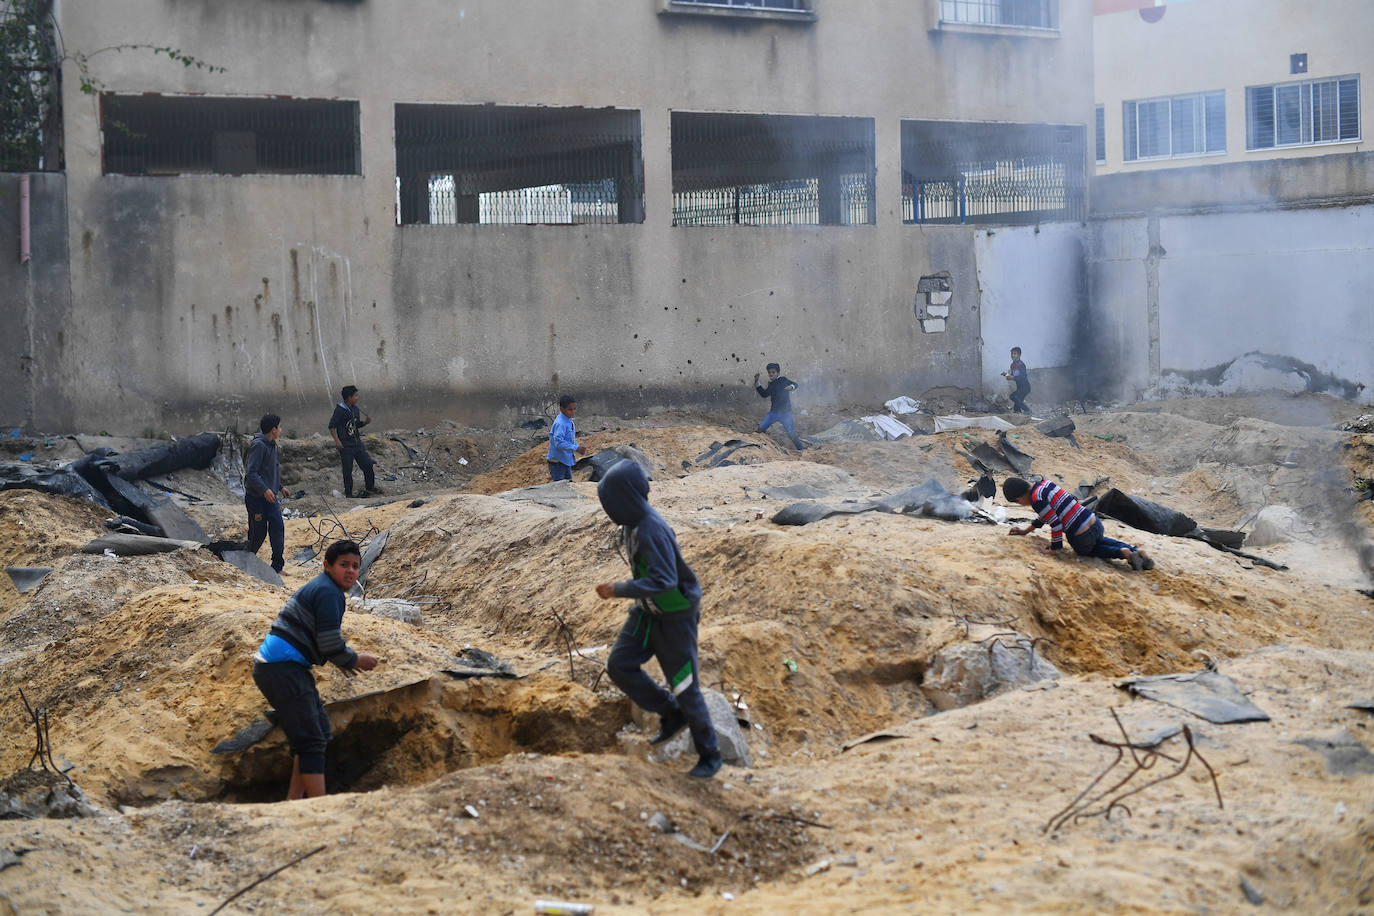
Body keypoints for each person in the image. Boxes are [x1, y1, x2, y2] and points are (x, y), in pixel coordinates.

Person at [594, 460, 722, 780]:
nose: (609, 511)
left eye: (612, 503)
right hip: (647, 611)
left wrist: (620, 589)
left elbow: (665, 580)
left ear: (626, 499)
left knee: (685, 686)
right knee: (620, 665)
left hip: (675, 616)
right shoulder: (631, 524)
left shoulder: (652, 529)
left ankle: (711, 754)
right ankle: (670, 712)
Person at [251, 539, 378, 800]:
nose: (351, 571)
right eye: (344, 565)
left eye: (355, 566)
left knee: (316, 733)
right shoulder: (329, 593)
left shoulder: (325, 589)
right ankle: (318, 806)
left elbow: (324, 641)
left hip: (284, 667)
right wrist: (354, 660)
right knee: (310, 740)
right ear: (327, 566)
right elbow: (330, 642)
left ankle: (294, 801)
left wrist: (344, 660)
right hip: (282, 668)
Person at [1003, 476, 1154, 570]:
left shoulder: (1036, 501)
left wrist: (1054, 550)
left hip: (1080, 535)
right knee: (1100, 541)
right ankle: (1135, 550)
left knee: (1088, 550)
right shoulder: (1045, 484)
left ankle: (1121, 553)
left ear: (1018, 499)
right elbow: (1047, 516)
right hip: (1094, 522)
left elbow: (1055, 524)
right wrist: (1025, 531)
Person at [244, 413, 290, 574]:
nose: (281, 430)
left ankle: (277, 567)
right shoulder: (259, 446)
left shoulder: (271, 445)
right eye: (280, 427)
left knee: (278, 527)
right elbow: (252, 473)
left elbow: (269, 472)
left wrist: (280, 487)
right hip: (256, 498)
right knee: (258, 532)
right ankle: (246, 561)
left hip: (270, 497)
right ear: (273, 430)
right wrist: (264, 490)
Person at [329, 385, 380, 498]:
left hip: (357, 444)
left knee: (368, 464)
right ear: (349, 397)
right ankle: (349, 493)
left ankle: (370, 488)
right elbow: (332, 427)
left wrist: (365, 423)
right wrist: (337, 441)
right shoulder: (340, 410)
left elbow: (355, 425)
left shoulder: (355, 409)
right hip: (346, 445)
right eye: (355, 396)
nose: (357, 398)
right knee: (347, 470)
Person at [753, 362, 805, 451]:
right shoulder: (771, 384)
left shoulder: (783, 380)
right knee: (760, 430)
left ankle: (802, 450)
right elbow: (764, 394)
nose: (771, 374)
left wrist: (791, 387)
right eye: (769, 372)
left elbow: (796, 384)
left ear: (778, 373)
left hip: (785, 413)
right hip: (773, 413)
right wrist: (757, 382)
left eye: (773, 372)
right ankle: (756, 449)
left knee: (791, 433)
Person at [547, 394, 586, 481]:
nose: (573, 412)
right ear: (562, 409)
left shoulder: (568, 420)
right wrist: (575, 447)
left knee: (568, 483)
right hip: (557, 462)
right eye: (570, 409)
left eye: (574, 409)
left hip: (565, 459)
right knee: (560, 487)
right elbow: (559, 442)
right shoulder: (561, 423)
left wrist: (576, 446)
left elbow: (568, 439)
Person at [1002, 347, 1031, 414]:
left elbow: (1022, 377)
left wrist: (1012, 377)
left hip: (1025, 387)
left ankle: (1027, 410)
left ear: (1019, 355)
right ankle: (1020, 415)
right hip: (1020, 387)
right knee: (1016, 408)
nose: (1012, 355)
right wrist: (1007, 375)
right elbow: (1013, 375)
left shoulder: (1021, 365)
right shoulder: (1012, 365)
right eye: (1012, 354)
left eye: (1015, 354)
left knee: (1012, 396)